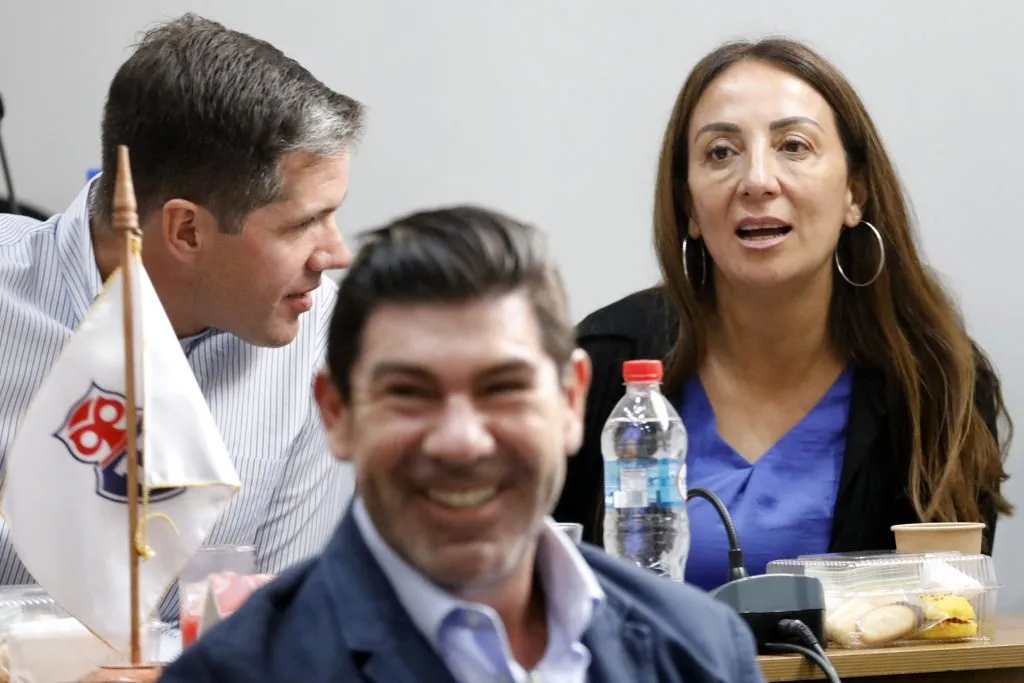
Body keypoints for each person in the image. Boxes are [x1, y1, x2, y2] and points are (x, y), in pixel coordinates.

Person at [157, 206, 765, 683]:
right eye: (410, 394)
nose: (460, 442)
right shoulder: (232, 674)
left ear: (572, 402)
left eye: (502, 390)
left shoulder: (699, 652)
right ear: (338, 413)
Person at [554, 38, 1013, 592]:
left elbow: (946, 624)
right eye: (720, 152)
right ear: (689, 207)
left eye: (794, 146)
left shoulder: (936, 382)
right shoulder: (606, 363)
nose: (757, 181)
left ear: (855, 194)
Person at [0, 13, 364, 618]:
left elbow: (276, 632)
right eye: (303, 224)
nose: (337, 254)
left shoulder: (320, 341)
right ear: (186, 230)